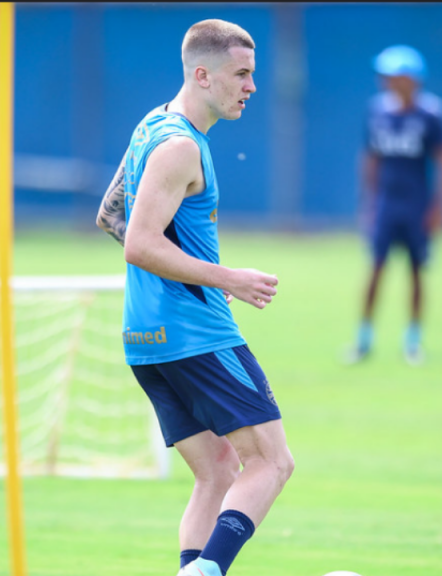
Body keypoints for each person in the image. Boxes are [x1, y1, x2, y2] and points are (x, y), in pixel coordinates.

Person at [95, 19, 294, 576]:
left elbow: (109, 215)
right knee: (272, 463)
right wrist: (222, 280)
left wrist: (177, 279)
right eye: (242, 74)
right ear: (203, 74)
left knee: (219, 472)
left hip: (146, 339)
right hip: (195, 336)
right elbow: (138, 243)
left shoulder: (152, 126)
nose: (251, 86)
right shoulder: (180, 145)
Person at [348, 44, 442, 365]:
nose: (387, 81)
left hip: (416, 204)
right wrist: (368, 202)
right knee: (375, 268)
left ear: (412, 78)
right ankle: (363, 339)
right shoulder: (377, 110)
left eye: (393, 75)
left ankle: (413, 341)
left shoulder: (432, 114)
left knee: (416, 271)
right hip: (385, 203)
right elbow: (370, 157)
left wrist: (440, 207)